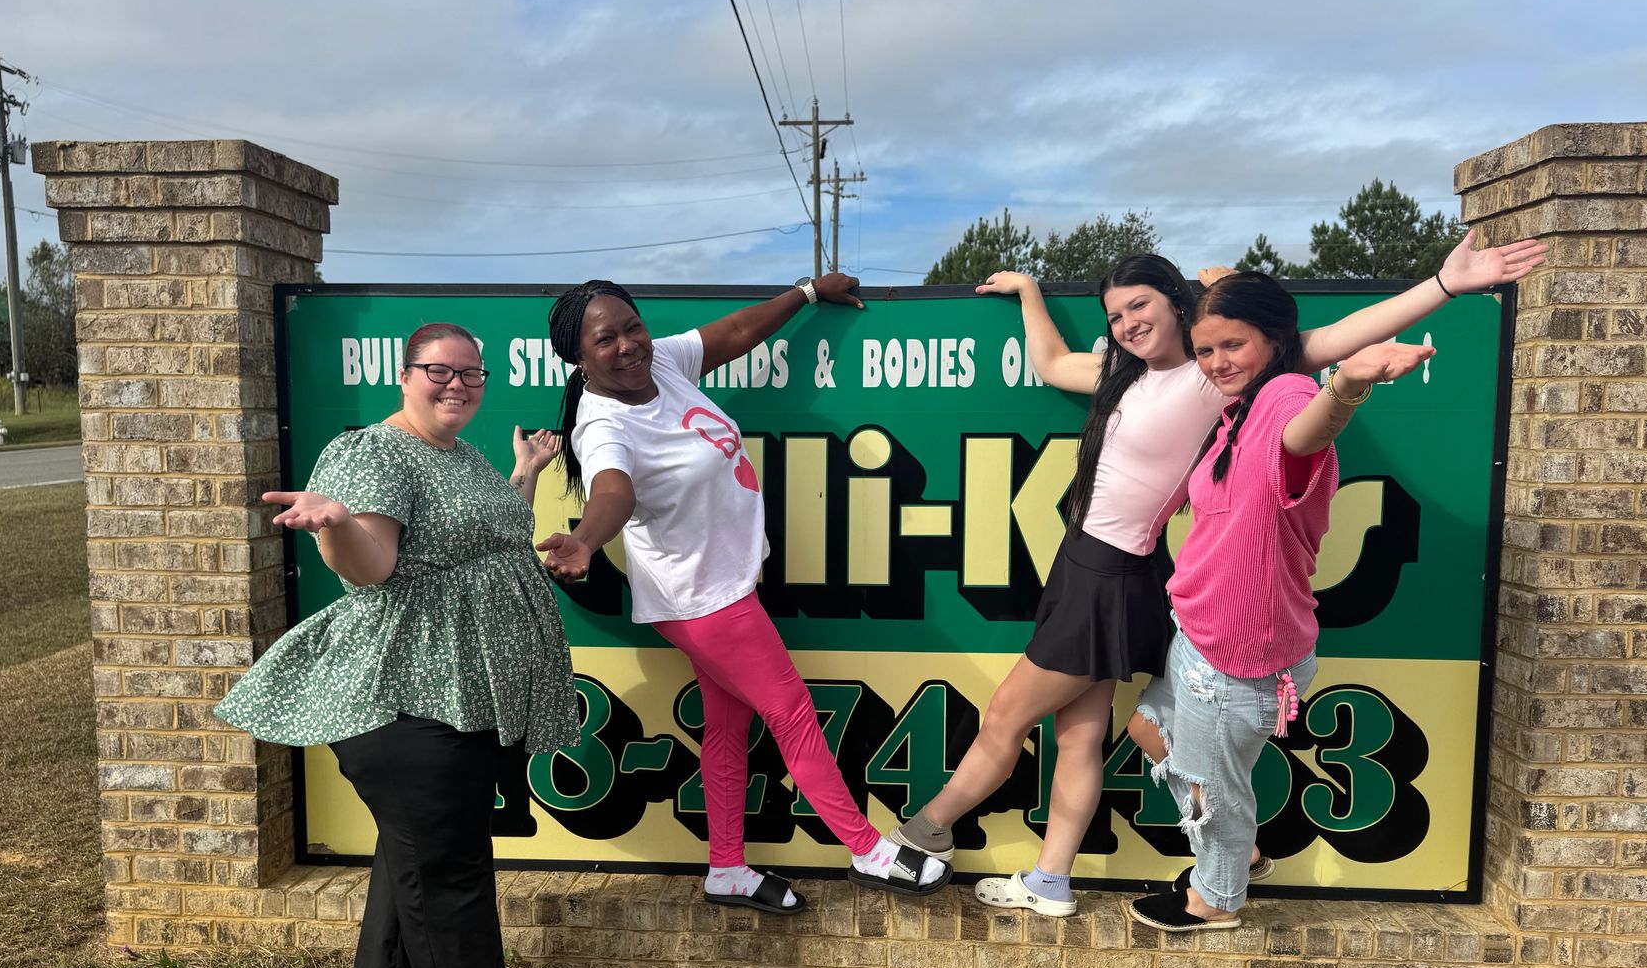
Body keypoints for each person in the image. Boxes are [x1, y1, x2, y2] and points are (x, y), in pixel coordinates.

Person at [889, 231, 1547, 917]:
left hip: (1110, 577)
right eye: (1115, 315)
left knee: (1005, 716)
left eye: (1140, 305)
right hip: (1082, 564)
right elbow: (1053, 363)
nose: (1128, 323)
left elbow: (1334, 338)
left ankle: (921, 835)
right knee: (1079, 734)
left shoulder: (1210, 378)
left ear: (1179, 305)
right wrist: (1028, 290)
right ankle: (1052, 881)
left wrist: (1441, 286)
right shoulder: (1122, 369)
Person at [215, 322, 579, 968]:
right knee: (448, 860)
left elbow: (490, 534)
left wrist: (523, 474)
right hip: (402, 691)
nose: (459, 385)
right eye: (440, 372)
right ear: (405, 373)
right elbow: (374, 564)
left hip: (462, 688)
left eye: (472, 374)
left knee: (419, 839)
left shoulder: (463, 454)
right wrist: (336, 523)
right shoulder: (373, 453)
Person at [536, 274, 951, 913]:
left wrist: (808, 293)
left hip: (719, 585)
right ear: (578, 356)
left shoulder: (662, 363)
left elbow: (735, 333)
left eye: (631, 327)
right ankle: (868, 850)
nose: (627, 345)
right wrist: (587, 540)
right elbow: (613, 491)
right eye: (605, 339)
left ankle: (726, 868)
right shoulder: (604, 427)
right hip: (703, 600)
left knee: (728, 728)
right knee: (792, 714)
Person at [1126, 272, 1430, 930]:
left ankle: (1217, 900)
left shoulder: (1285, 399)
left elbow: (1306, 434)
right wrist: (1220, 282)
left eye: (1232, 345)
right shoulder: (1239, 405)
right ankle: (1240, 855)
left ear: (1277, 341)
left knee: (1218, 794)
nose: (1216, 363)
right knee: (1149, 730)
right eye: (1206, 350)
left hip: (1238, 657)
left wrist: (1347, 387)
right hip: (1199, 633)